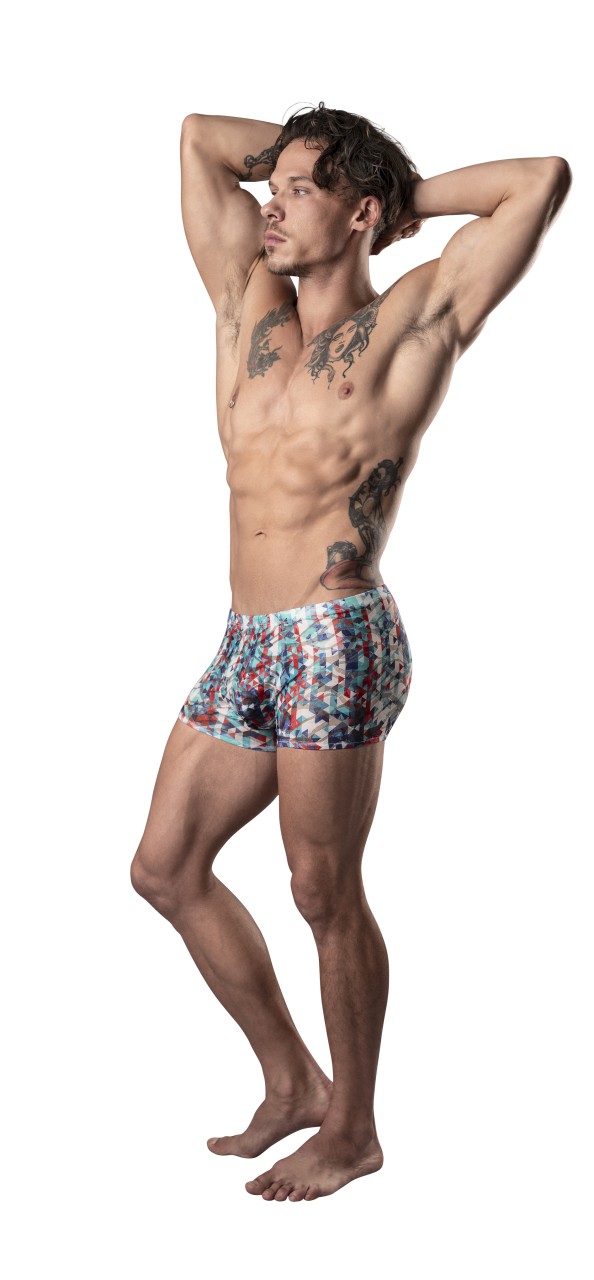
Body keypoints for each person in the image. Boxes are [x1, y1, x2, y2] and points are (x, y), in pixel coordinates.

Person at [130, 104, 571, 1202]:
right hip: (245, 638)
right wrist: (313, 165)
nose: (270, 207)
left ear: (362, 213)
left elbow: (539, 178)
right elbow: (197, 137)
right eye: (270, 187)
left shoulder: (412, 321)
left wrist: (394, 196)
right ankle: (292, 1079)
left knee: (322, 890)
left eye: (297, 192)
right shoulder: (246, 300)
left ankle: (354, 1129)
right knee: (165, 867)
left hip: (336, 639)